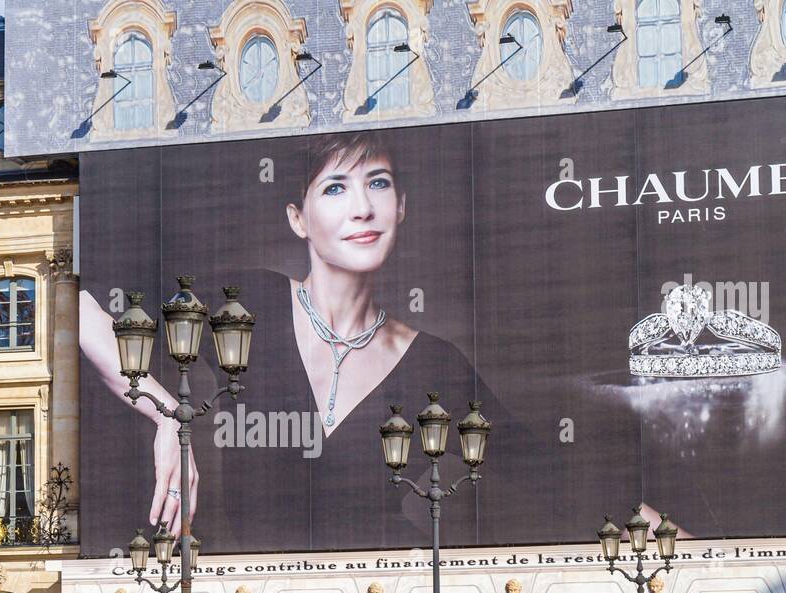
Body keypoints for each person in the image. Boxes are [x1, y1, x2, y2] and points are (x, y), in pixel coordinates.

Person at [77, 132, 543, 553]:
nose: (362, 207)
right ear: (297, 218)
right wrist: (167, 418)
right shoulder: (244, 303)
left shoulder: (437, 364)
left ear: (400, 205)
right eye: (335, 187)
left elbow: (546, 471)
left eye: (377, 183)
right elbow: (83, 310)